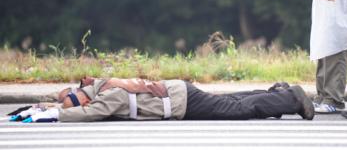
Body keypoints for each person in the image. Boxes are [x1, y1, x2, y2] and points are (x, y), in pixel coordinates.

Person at [10, 77, 314, 122]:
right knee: (230, 101)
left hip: (180, 102)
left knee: (236, 109)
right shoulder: (102, 87)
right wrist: (40, 108)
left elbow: (88, 114)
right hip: (179, 94)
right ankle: (277, 94)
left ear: (81, 96)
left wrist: (52, 116)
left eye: (70, 99)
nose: (71, 103)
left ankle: (290, 99)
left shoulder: (108, 97)